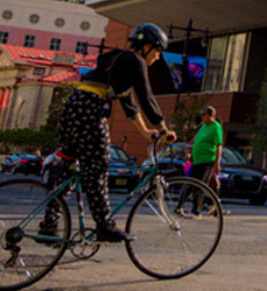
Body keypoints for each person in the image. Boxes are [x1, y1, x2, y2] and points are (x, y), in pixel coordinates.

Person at [52, 23, 175, 242]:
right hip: (90, 110)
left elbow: (129, 104)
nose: (158, 57)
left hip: (73, 107)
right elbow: (146, 98)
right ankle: (105, 225)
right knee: (98, 167)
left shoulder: (118, 60)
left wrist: (147, 132)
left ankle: (48, 225)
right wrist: (163, 129)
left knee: (69, 170)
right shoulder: (135, 61)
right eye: (157, 51)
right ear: (146, 46)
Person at [186, 106, 222, 216]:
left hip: (207, 161)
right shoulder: (203, 126)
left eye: (204, 115)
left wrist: (217, 163)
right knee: (192, 183)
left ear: (211, 116)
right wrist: (190, 154)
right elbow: (195, 141)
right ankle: (184, 207)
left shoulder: (216, 127)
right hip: (197, 161)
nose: (202, 117)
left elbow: (219, 145)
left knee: (202, 185)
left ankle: (199, 209)